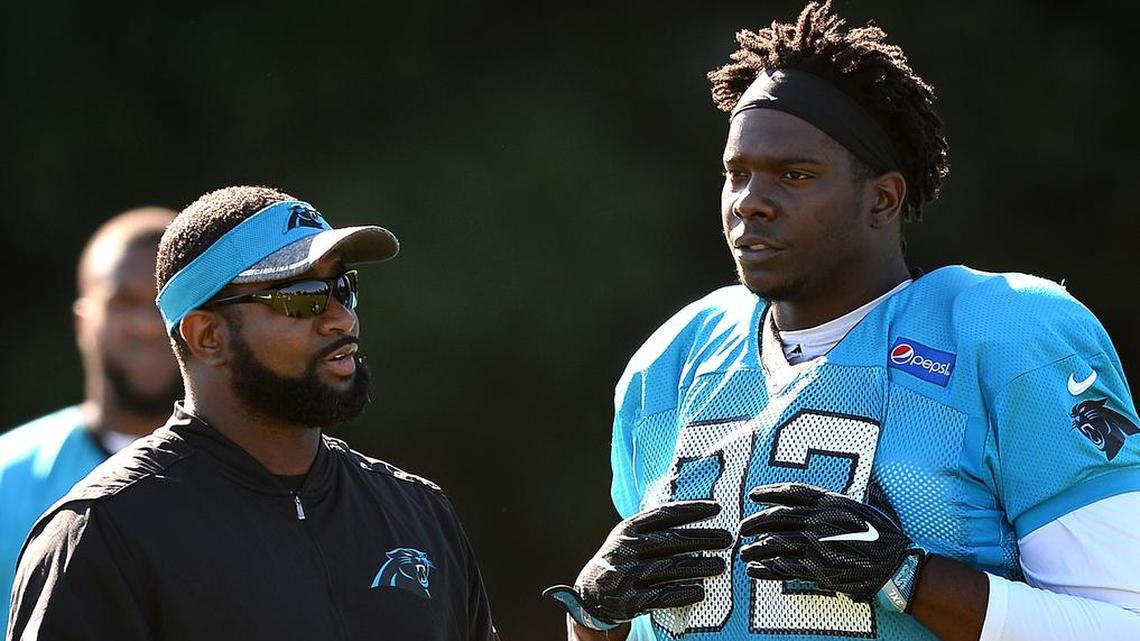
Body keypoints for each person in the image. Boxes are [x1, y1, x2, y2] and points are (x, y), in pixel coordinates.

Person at [545, 3, 1140, 640]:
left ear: (882, 197)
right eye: (736, 174)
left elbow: (1121, 625)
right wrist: (596, 620)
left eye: (794, 176)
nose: (751, 203)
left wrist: (911, 578)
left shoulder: (1005, 333)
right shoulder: (675, 359)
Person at [8, 186, 498, 641]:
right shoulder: (102, 535)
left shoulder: (419, 513)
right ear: (208, 337)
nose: (341, 318)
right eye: (303, 297)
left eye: (342, 289)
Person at [0, 207, 181, 632]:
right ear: (84, 321)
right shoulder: (7, 479)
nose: (148, 326)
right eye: (123, 301)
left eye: (166, 302)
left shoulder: (266, 474)